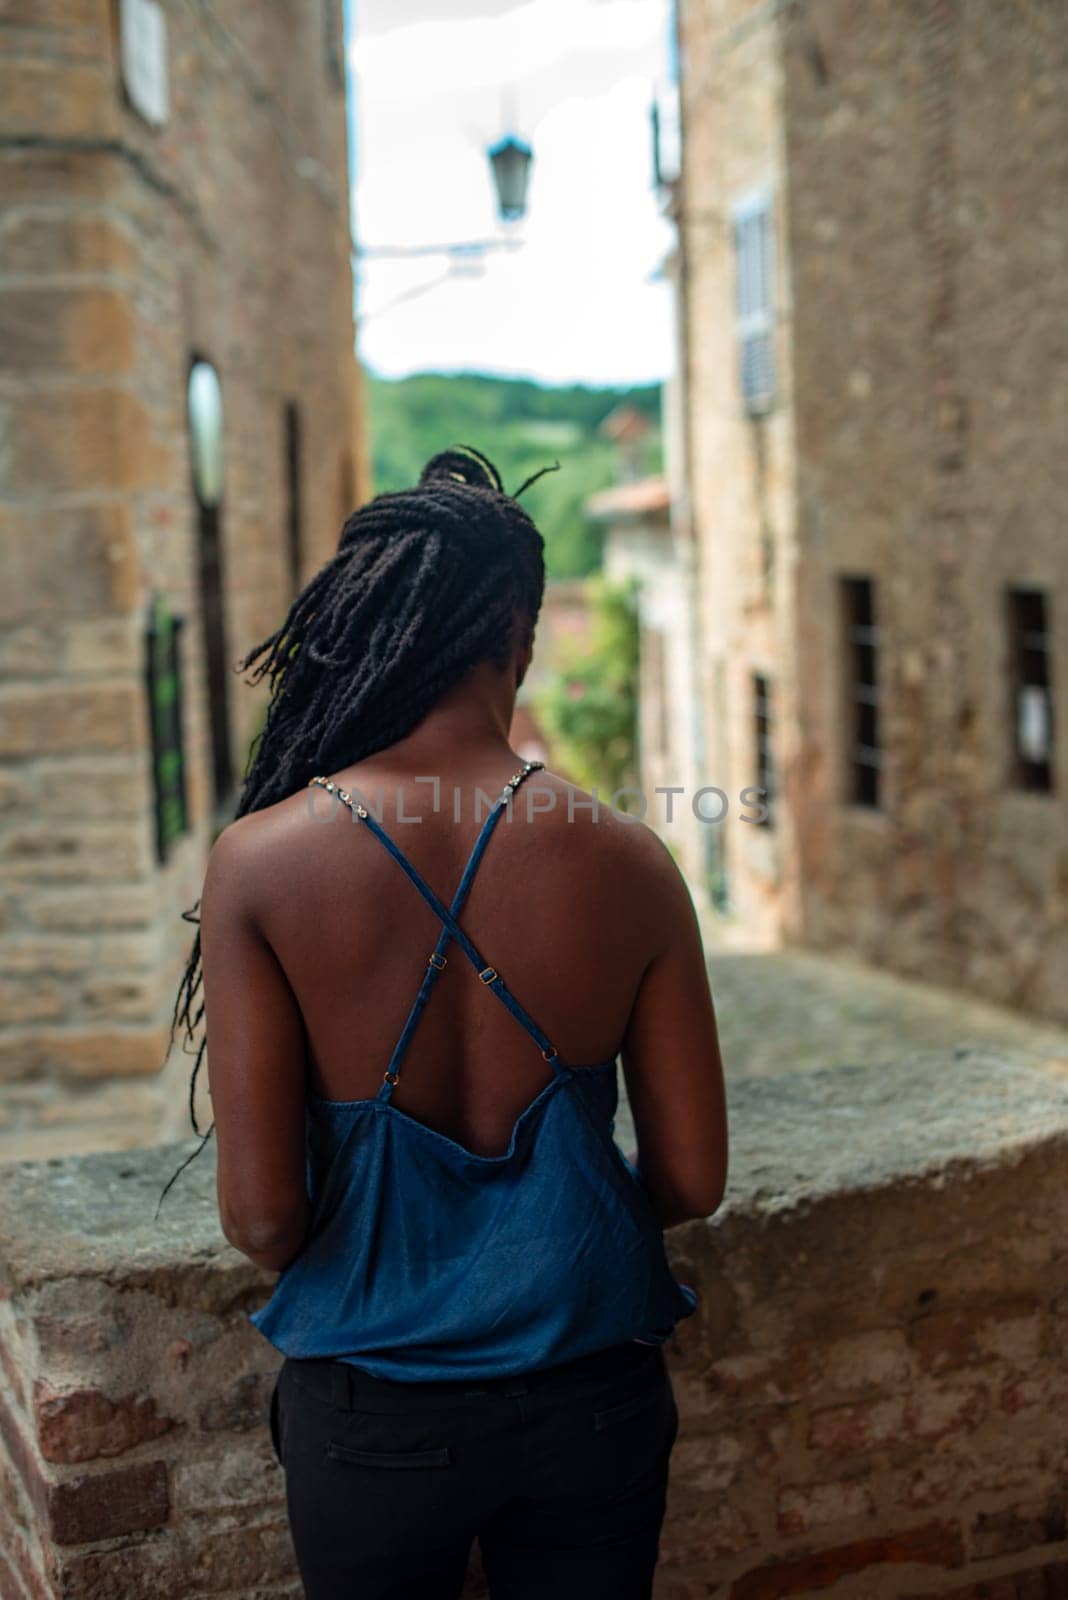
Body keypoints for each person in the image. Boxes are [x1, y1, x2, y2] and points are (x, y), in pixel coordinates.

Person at [184, 447, 728, 1600]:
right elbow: (689, 1177)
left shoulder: (261, 863)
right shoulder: (632, 858)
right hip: (595, 1400)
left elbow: (264, 1214)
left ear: (362, 630)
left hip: (371, 1421)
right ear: (517, 639)